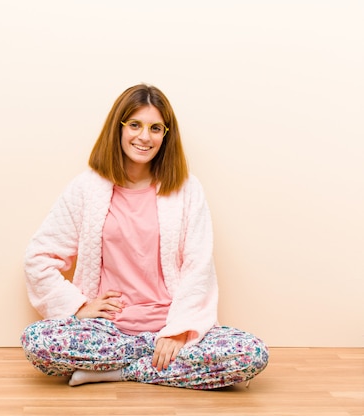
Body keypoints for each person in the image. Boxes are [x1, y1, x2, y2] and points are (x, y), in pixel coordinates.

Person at [20, 84, 269, 389]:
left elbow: (198, 265)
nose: (144, 137)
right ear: (118, 128)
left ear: (166, 135)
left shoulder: (186, 189)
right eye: (135, 125)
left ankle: (117, 372)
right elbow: (39, 257)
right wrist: (78, 306)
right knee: (36, 341)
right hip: (107, 330)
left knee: (251, 353)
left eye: (155, 128)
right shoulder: (86, 188)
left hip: (171, 324)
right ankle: (151, 363)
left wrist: (178, 331)